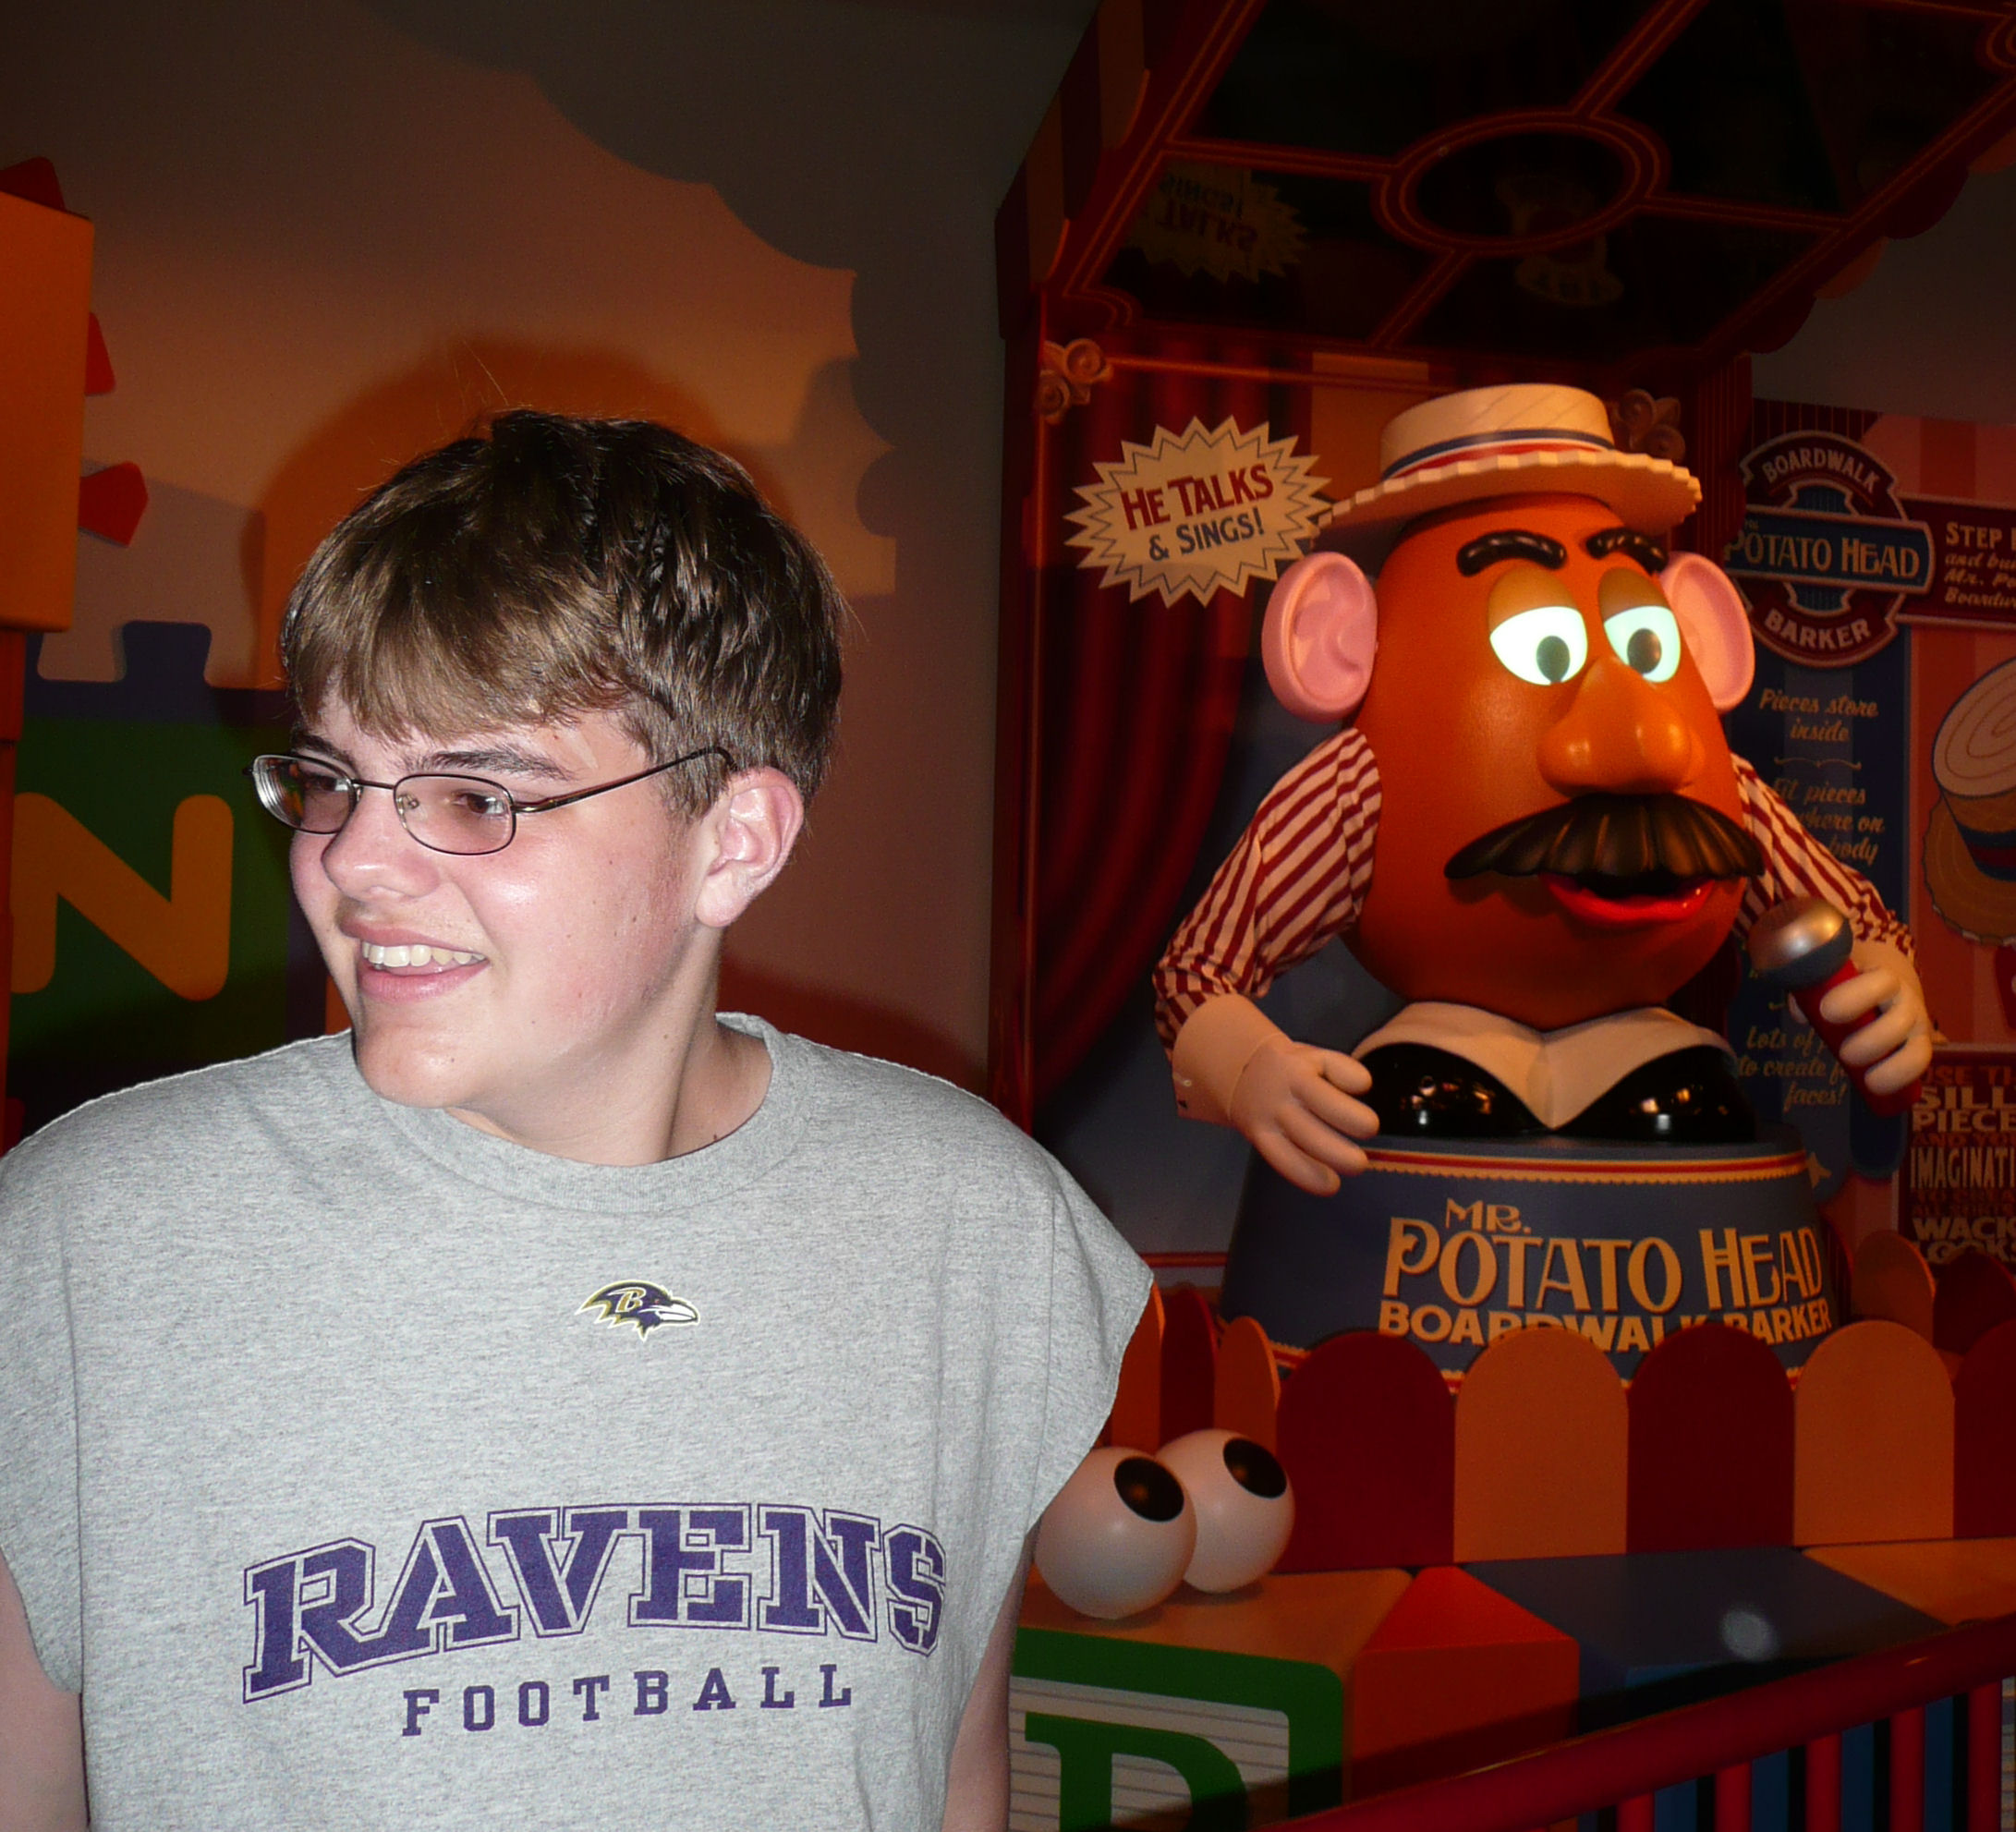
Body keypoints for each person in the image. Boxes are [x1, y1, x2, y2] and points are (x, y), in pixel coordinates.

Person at [0, 411, 1149, 1830]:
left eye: (475, 794)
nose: (349, 862)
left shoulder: (979, 1231)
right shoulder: (87, 1238)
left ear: (734, 839)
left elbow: (951, 1769)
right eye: (331, 780)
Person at [1153, 383, 1930, 1194]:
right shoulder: (1356, 784)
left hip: (1659, 1101)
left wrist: (1885, 979)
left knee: (1695, 1105)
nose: (1642, 744)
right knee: (1418, 1104)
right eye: (1540, 649)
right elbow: (1200, 971)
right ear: (1341, 646)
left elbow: (1853, 920)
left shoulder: (1717, 791)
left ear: (1703, 637)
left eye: (1647, 644)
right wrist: (1247, 1070)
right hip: (1433, 1120)